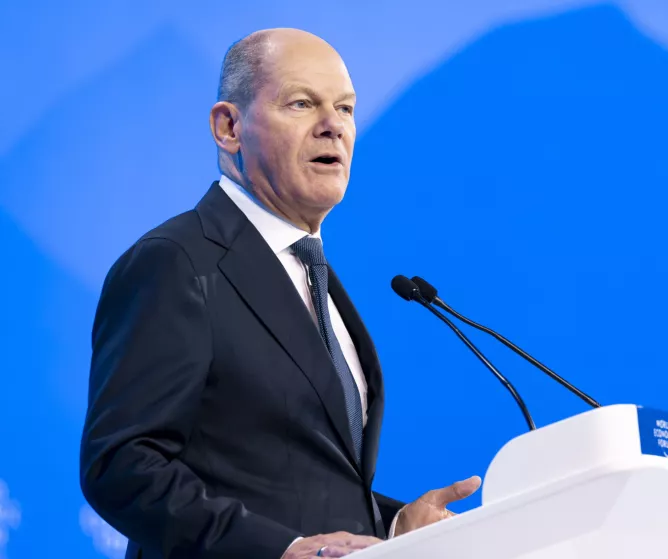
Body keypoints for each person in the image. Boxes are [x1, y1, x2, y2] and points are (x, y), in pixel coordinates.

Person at [79, 28, 481, 559]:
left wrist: (393, 523)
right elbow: (122, 465)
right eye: (301, 103)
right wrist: (280, 548)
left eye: (345, 108)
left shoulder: (312, 273)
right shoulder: (176, 262)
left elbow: (296, 482)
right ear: (228, 127)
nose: (332, 126)